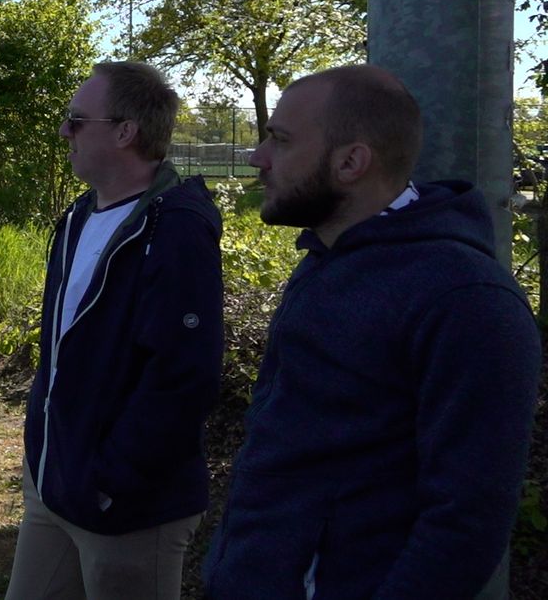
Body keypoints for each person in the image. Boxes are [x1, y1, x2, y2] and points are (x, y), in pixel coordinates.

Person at [202, 65, 541, 599]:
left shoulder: (466, 300)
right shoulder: (329, 256)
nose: (257, 157)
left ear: (351, 162)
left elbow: (465, 522)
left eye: (280, 140)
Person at [6, 61, 223, 600]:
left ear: (126, 131)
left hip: (127, 505)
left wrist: (114, 478)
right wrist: (42, 452)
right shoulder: (79, 215)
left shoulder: (175, 228)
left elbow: (183, 375)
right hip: (54, 483)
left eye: (77, 120)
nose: (65, 131)